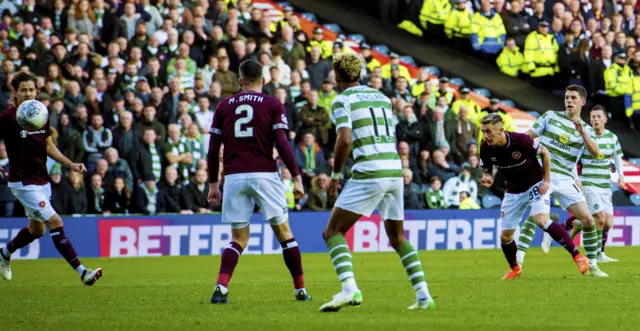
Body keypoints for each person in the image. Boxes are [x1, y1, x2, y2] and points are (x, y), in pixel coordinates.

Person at [319, 53, 435, 312]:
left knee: (332, 232)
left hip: (370, 170)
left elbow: (345, 140)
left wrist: (336, 176)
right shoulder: (382, 97)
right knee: (398, 237)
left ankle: (349, 288)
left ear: (337, 76)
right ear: (359, 73)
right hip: (394, 169)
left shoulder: (342, 100)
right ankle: (424, 295)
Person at [206, 60, 310, 304]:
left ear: (240, 82)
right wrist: (296, 178)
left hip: (234, 176)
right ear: (263, 81)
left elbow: (213, 149)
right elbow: (282, 143)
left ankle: (221, 287)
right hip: (264, 174)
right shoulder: (272, 103)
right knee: (285, 234)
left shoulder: (223, 106)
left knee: (238, 239)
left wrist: (213, 184)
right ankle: (300, 290)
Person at [0, 72, 102, 285]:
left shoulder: (41, 114)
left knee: (37, 230)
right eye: (23, 90)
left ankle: (4, 253)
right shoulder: (8, 117)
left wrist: (70, 164)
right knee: (55, 221)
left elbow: (48, 146)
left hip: (42, 180)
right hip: (23, 181)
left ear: (37, 91)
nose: (28, 94)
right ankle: (83, 273)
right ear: (15, 93)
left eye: (31, 90)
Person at [479, 113, 589, 279]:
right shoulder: (485, 147)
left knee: (542, 221)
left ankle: (578, 256)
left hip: (535, 184)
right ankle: (515, 268)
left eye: (488, 131)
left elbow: (545, 153)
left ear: (501, 130)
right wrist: (488, 177)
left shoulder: (521, 140)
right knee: (505, 236)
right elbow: (487, 169)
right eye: (483, 131)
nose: (485, 135)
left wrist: (546, 180)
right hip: (513, 191)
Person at [515, 85, 608, 277]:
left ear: (582, 102)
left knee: (588, 219)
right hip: (543, 173)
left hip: (565, 178)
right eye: (567, 97)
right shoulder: (550, 116)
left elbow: (596, 153)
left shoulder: (586, 130)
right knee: (536, 215)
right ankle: (519, 259)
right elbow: (527, 138)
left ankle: (592, 266)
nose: (569, 101)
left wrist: (582, 132)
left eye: (574, 98)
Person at [563, 105, 625, 263]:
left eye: (599, 116)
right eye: (593, 117)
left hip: (605, 185)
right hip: (589, 183)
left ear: (605, 119)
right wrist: (576, 178)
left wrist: (621, 176)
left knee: (608, 223)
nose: (596, 119)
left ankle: (581, 227)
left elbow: (617, 157)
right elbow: (573, 159)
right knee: (600, 218)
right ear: (590, 120)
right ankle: (595, 256)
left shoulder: (612, 137)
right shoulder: (585, 136)